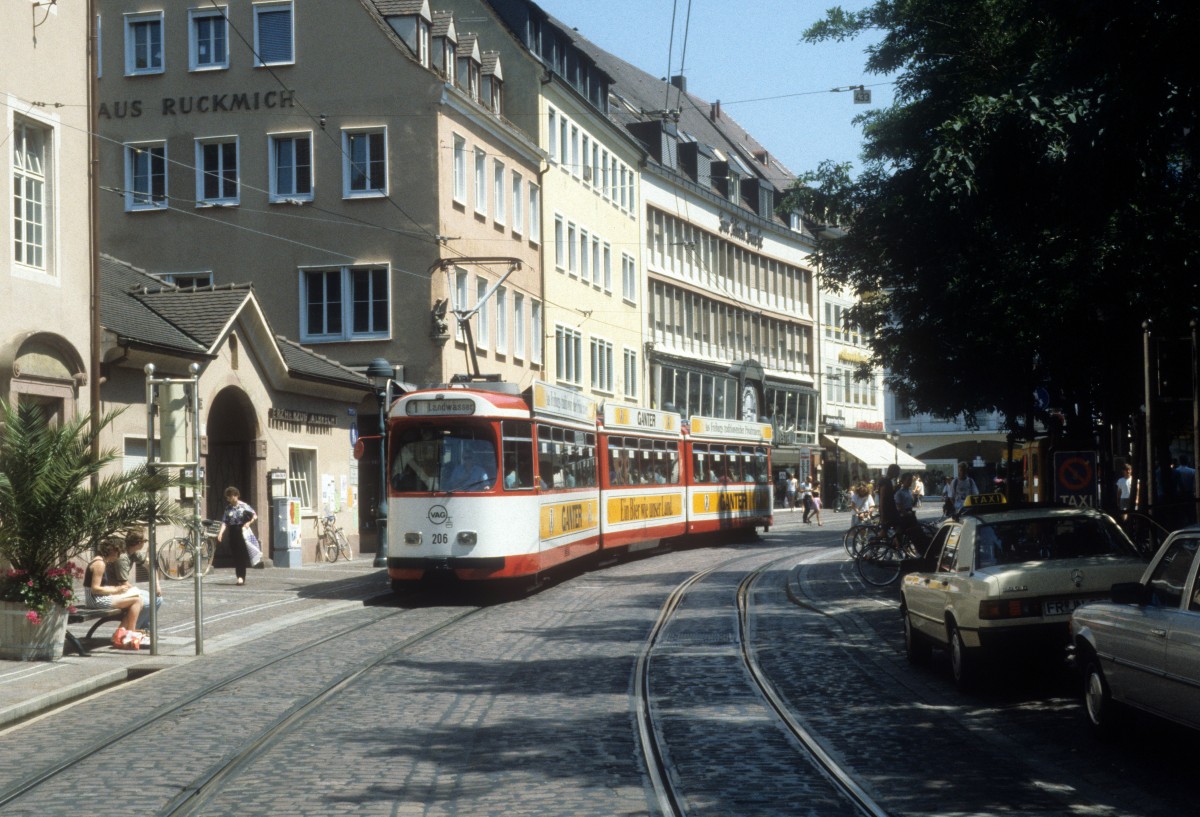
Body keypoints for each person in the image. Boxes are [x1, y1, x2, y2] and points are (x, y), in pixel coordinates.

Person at [84, 537, 145, 644]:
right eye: (118, 553)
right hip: (95, 600)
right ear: (113, 550)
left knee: (136, 600)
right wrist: (116, 590)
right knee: (137, 601)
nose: (118, 557)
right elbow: (95, 589)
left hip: (98, 597)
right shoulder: (99, 564)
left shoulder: (101, 561)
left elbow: (99, 587)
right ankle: (131, 632)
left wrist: (117, 590)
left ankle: (120, 633)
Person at [105, 528, 162, 628]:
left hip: (123, 589)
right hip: (114, 591)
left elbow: (150, 566)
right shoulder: (122, 558)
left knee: (158, 599)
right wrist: (137, 591)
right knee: (147, 601)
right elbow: (123, 583)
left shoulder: (133, 553)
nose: (145, 543)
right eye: (145, 541)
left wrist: (157, 585)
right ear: (139, 543)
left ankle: (145, 628)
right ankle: (131, 630)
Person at [217, 486, 257, 586]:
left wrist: (249, 523)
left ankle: (241, 577)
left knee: (241, 555)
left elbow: (254, 515)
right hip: (232, 531)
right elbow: (224, 522)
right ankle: (239, 576)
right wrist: (221, 533)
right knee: (235, 555)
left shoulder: (243, 506)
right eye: (228, 497)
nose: (229, 499)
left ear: (236, 496)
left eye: (230, 496)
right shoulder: (228, 508)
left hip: (242, 531)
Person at [877, 463, 901, 529]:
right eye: (898, 472)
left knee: (897, 527)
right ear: (893, 472)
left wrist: (896, 488)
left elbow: (890, 494)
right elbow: (882, 498)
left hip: (890, 507)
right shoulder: (885, 481)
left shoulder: (888, 481)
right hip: (887, 509)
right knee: (885, 529)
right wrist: (882, 513)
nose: (898, 473)